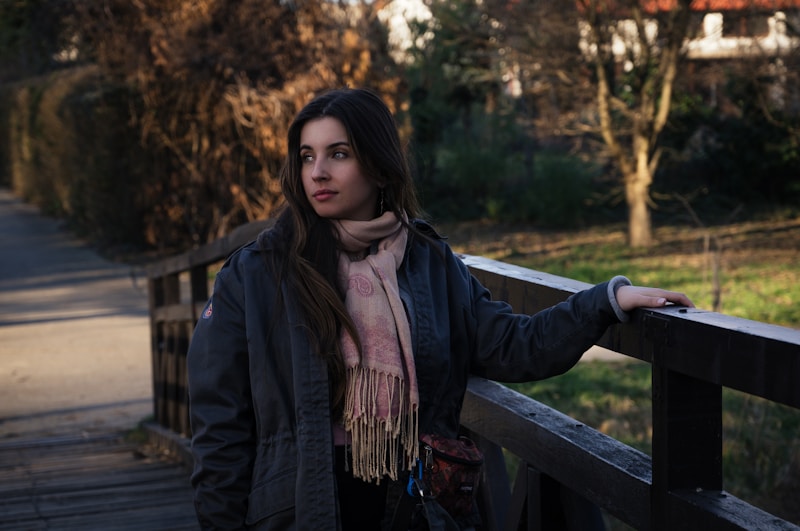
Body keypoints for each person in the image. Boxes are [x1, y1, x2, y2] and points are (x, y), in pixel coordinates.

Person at [187, 87, 694, 531]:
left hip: (413, 505)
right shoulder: (257, 274)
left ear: (378, 163)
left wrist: (606, 300)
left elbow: (514, 347)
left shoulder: (428, 261)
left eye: (338, 153)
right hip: (301, 508)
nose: (317, 171)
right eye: (305, 156)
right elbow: (220, 426)